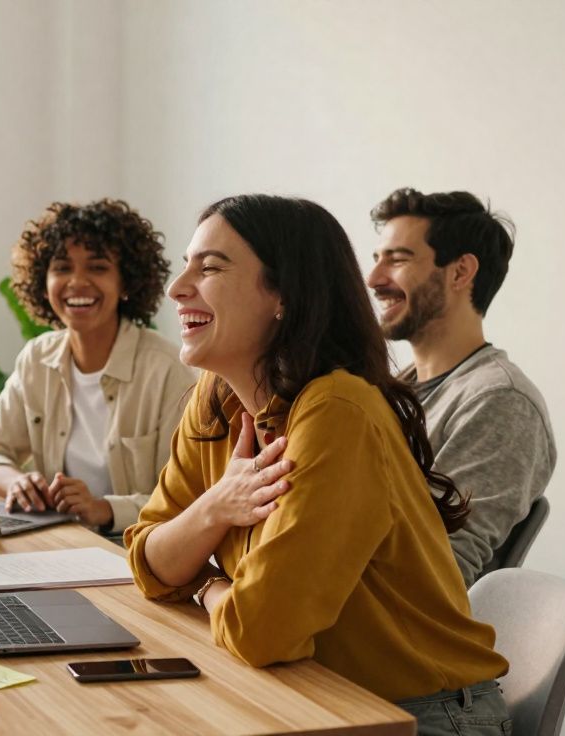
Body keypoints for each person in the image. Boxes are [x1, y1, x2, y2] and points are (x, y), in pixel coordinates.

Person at [125, 195, 509, 733]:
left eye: (210, 267)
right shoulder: (215, 398)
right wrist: (214, 509)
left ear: (284, 294)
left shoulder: (336, 411)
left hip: (415, 714)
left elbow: (263, 630)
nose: (176, 287)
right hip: (307, 693)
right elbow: (148, 562)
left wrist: (205, 585)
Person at [368, 188, 555, 585]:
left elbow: (437, 571)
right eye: (376, 260)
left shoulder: (501, 403)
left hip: (392, 638)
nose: (374, 279)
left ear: (460, 272)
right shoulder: (389, 391)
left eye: (398, 259)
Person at [0, 199, 195, 533]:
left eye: (97, 267)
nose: (76, 282)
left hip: (135, 550)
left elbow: (186, 500)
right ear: (42, 281)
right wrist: (17, 483)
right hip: (59, 543)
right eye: (62, 268)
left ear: (126, 283)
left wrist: (104, 509)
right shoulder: (37, 359)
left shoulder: (167, 370)